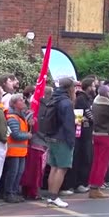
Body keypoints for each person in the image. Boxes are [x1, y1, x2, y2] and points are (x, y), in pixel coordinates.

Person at [46, 78, 76, 208]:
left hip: (51, 135)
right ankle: (55, 196)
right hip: (62, 137)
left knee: (54, 167)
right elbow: (68, 124)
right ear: (70, 88)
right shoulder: (66, 102)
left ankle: (50, 196)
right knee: (62, 168)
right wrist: (71, 140)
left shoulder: (53, 98)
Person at [62, 77, 95, 194]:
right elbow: (81, 115)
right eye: (94, 85)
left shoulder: (87, 99)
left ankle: (81, 182)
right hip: (80, 134)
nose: (95, 88)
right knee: (80, 159)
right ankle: (77, 183)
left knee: (86, 158)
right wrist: (86, 119)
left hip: (86, 134)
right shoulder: (81, 99)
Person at [88, 85, 109, 198]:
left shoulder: (95, 103)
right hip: (106, 135)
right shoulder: (108, 105)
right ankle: (96, 187)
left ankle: (93, 185)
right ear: (107, 93)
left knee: (96, 162)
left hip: (97, 134)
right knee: (103, 163)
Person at [21, 87, 53, 200]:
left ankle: (30, 190)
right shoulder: (40, 108)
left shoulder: (37, 107)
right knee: (36, 170)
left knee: (33, 169)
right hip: (38, 141)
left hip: (36, 140)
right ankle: (33, 191)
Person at [4, 94, 32, 203]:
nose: (23, 102)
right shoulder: (13, 117)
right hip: (13, 151)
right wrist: (28, 136)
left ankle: (14, 192)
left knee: (18, 173)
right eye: (21, 100)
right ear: (15, 104)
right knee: (13, 173)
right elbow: (15, 135)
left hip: (20, 151)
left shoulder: (20, 116)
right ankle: (9, 193)